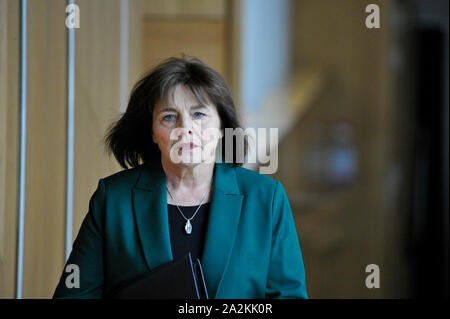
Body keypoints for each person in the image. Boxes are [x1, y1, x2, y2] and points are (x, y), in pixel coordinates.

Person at [53, 56, 308, 299]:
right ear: (152, 132)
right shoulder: (113, 199)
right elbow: (74, 294)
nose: (185, 128)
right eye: (169, 117)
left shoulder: (266, 198)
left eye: (199, 115)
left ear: (221, 126)